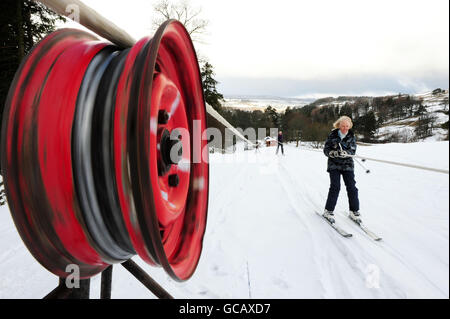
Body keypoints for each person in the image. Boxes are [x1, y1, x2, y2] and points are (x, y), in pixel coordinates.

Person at [322, 116, 360, 224]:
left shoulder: (352, 136)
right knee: (335, 187)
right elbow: (326, 149)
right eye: (342, 126)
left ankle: (354, 211)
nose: (344, 128)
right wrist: (332, 153)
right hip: (334, 165)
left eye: (347, 126)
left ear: (350, 126)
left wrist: (347, 153)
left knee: (352, 187)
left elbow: (353, 150)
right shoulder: (332, 135)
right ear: (338, 125)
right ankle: (328, 211)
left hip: (347, 165)